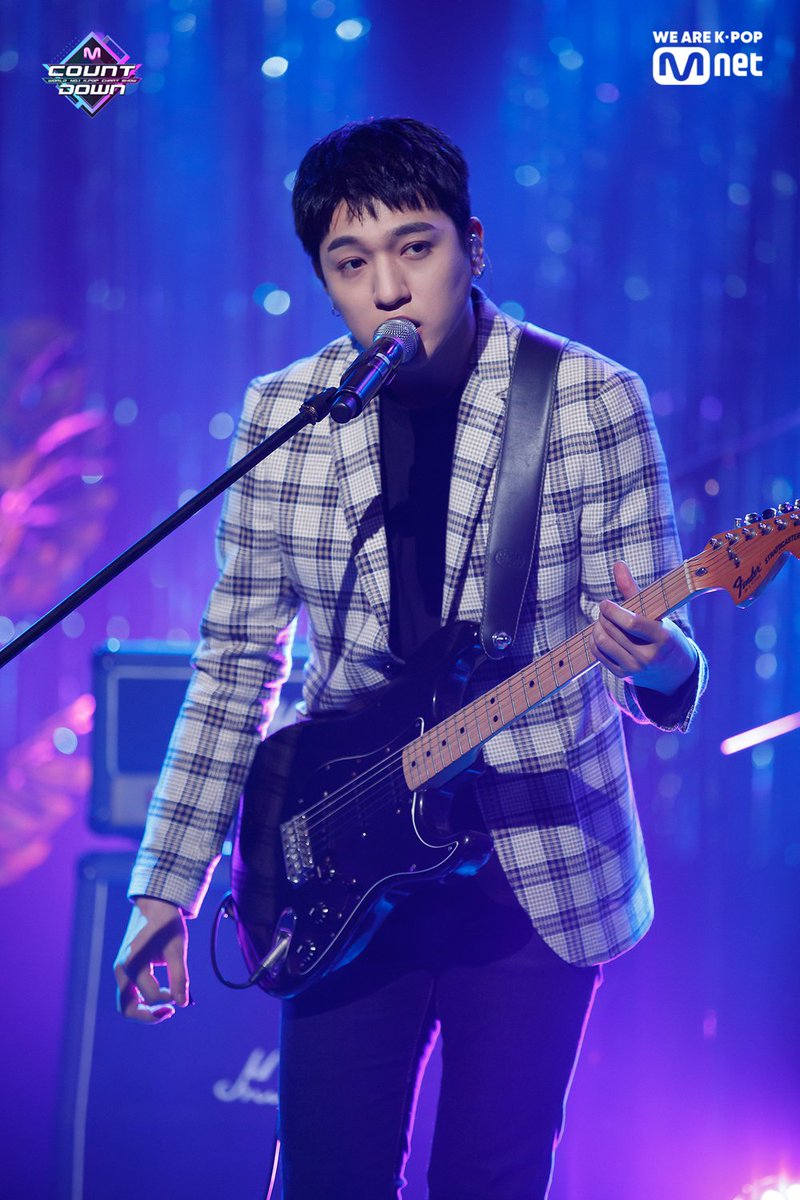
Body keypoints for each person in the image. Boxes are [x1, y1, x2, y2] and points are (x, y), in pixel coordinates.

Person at [115, 116, 707, 1198]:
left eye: (415, 248)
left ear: (472, 247)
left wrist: (659, 661)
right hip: (343, 851)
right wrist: (167, 886)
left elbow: (655, 658)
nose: (388, 288)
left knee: (493, 1175)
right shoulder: (284, 417)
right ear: (324, 281)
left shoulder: (590, 400)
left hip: (534, 873)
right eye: (351, 264)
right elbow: (235, 662)